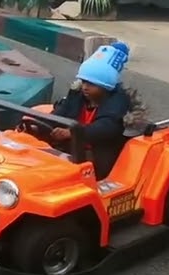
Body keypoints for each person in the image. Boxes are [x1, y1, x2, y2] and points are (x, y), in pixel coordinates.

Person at [29, 41, 138, 179]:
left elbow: (106, 127)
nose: (85, 87)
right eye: (84, 81)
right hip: (73, 148)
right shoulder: (78, 95)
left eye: (92, 84)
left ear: (106, 86)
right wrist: (38, 126)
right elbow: (61, 112)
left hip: (99, 151)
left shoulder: (117, 101)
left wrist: (71, 133)